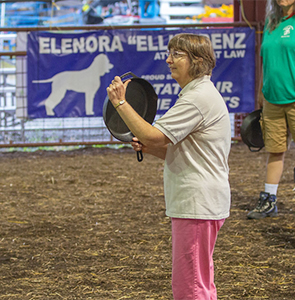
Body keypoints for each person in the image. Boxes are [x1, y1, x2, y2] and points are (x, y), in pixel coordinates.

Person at [106, 33, 231, 299]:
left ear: (197, 60)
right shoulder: (199, 94)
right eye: (169, 53)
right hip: (200, 202)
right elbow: (182, 151)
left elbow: (154, 136)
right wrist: (151, 149)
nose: (168, 60)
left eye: (176, 55)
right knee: (200, 282)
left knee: (191, 287)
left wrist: (120, 102)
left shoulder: (197, 99)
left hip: (197, 203)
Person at [247, 0, 295, 220]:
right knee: (274, 150)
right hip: (273, 98)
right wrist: (262, 90)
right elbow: (267, 61)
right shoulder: (273, 22)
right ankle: (269, 200)